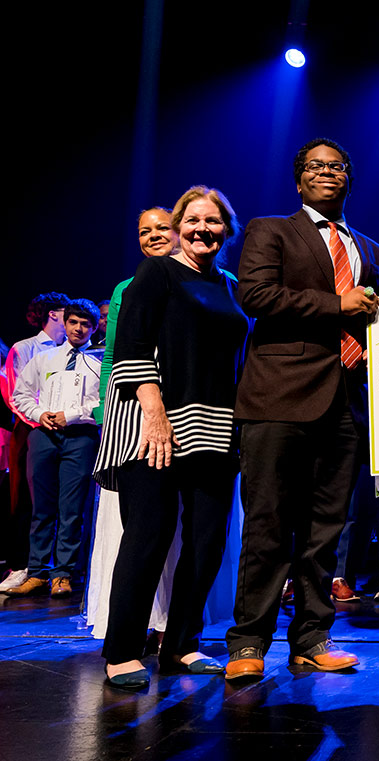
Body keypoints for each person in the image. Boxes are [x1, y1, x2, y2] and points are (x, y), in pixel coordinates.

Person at [226, 138, 379, 681]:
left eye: (337, 166)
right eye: (315, 166)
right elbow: (256, 297)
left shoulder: (372, 249)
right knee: (269, 524)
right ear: (299, 181)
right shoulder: (269, 230)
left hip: (345, 404)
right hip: (277, 398)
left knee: (325, 532)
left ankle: (312, 637)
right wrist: (334, 304)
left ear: (349, 178)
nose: (327, 173)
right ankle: (248, 642)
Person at [93, 186, 249, 689]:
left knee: (206, 544)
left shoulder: (229, 284)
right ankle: (121, 650)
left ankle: (181, 644)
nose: (203, 229)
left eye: (214, 222)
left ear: (227, 229)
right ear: (179, 225)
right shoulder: (156, 272)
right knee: (148, 538)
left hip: (216, 431)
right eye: (193, 220)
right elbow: (130, 345)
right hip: (154, 428)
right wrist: (155, 413)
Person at [85, 207, 180, 644]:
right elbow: (113, 357)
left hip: (199, 420)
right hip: (136, 418)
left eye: (163, 227)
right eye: (145, 231)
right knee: (141, 530)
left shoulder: (219, 281)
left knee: (183, 532)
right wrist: (109, 418)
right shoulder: (129, 286)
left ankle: (173, 628)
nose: (154, 236)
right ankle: (135, 627)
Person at [8, 299, 103, 598]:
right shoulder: (44, 359)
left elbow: (105, 403)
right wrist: (39, 414)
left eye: (85, 324)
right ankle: (37, 572)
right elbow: (20, 395)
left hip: (80, 437)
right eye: (73, 322)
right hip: (44, 435)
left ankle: (64, 574)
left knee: (72, 509)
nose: (79, 328)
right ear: (65, 323)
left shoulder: (99, 363)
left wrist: (72, 415)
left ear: (93, 327)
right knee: (41, 508)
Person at [0, 292, 70, 595]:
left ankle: (58, 568)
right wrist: (42, 418)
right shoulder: (25, 348)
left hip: (67, 429)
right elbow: (15, 393)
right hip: (31, 430)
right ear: (53, 315)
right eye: (65, 313)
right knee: (27, 500)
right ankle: (24, 565)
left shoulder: (71, 349)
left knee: (64, 502)